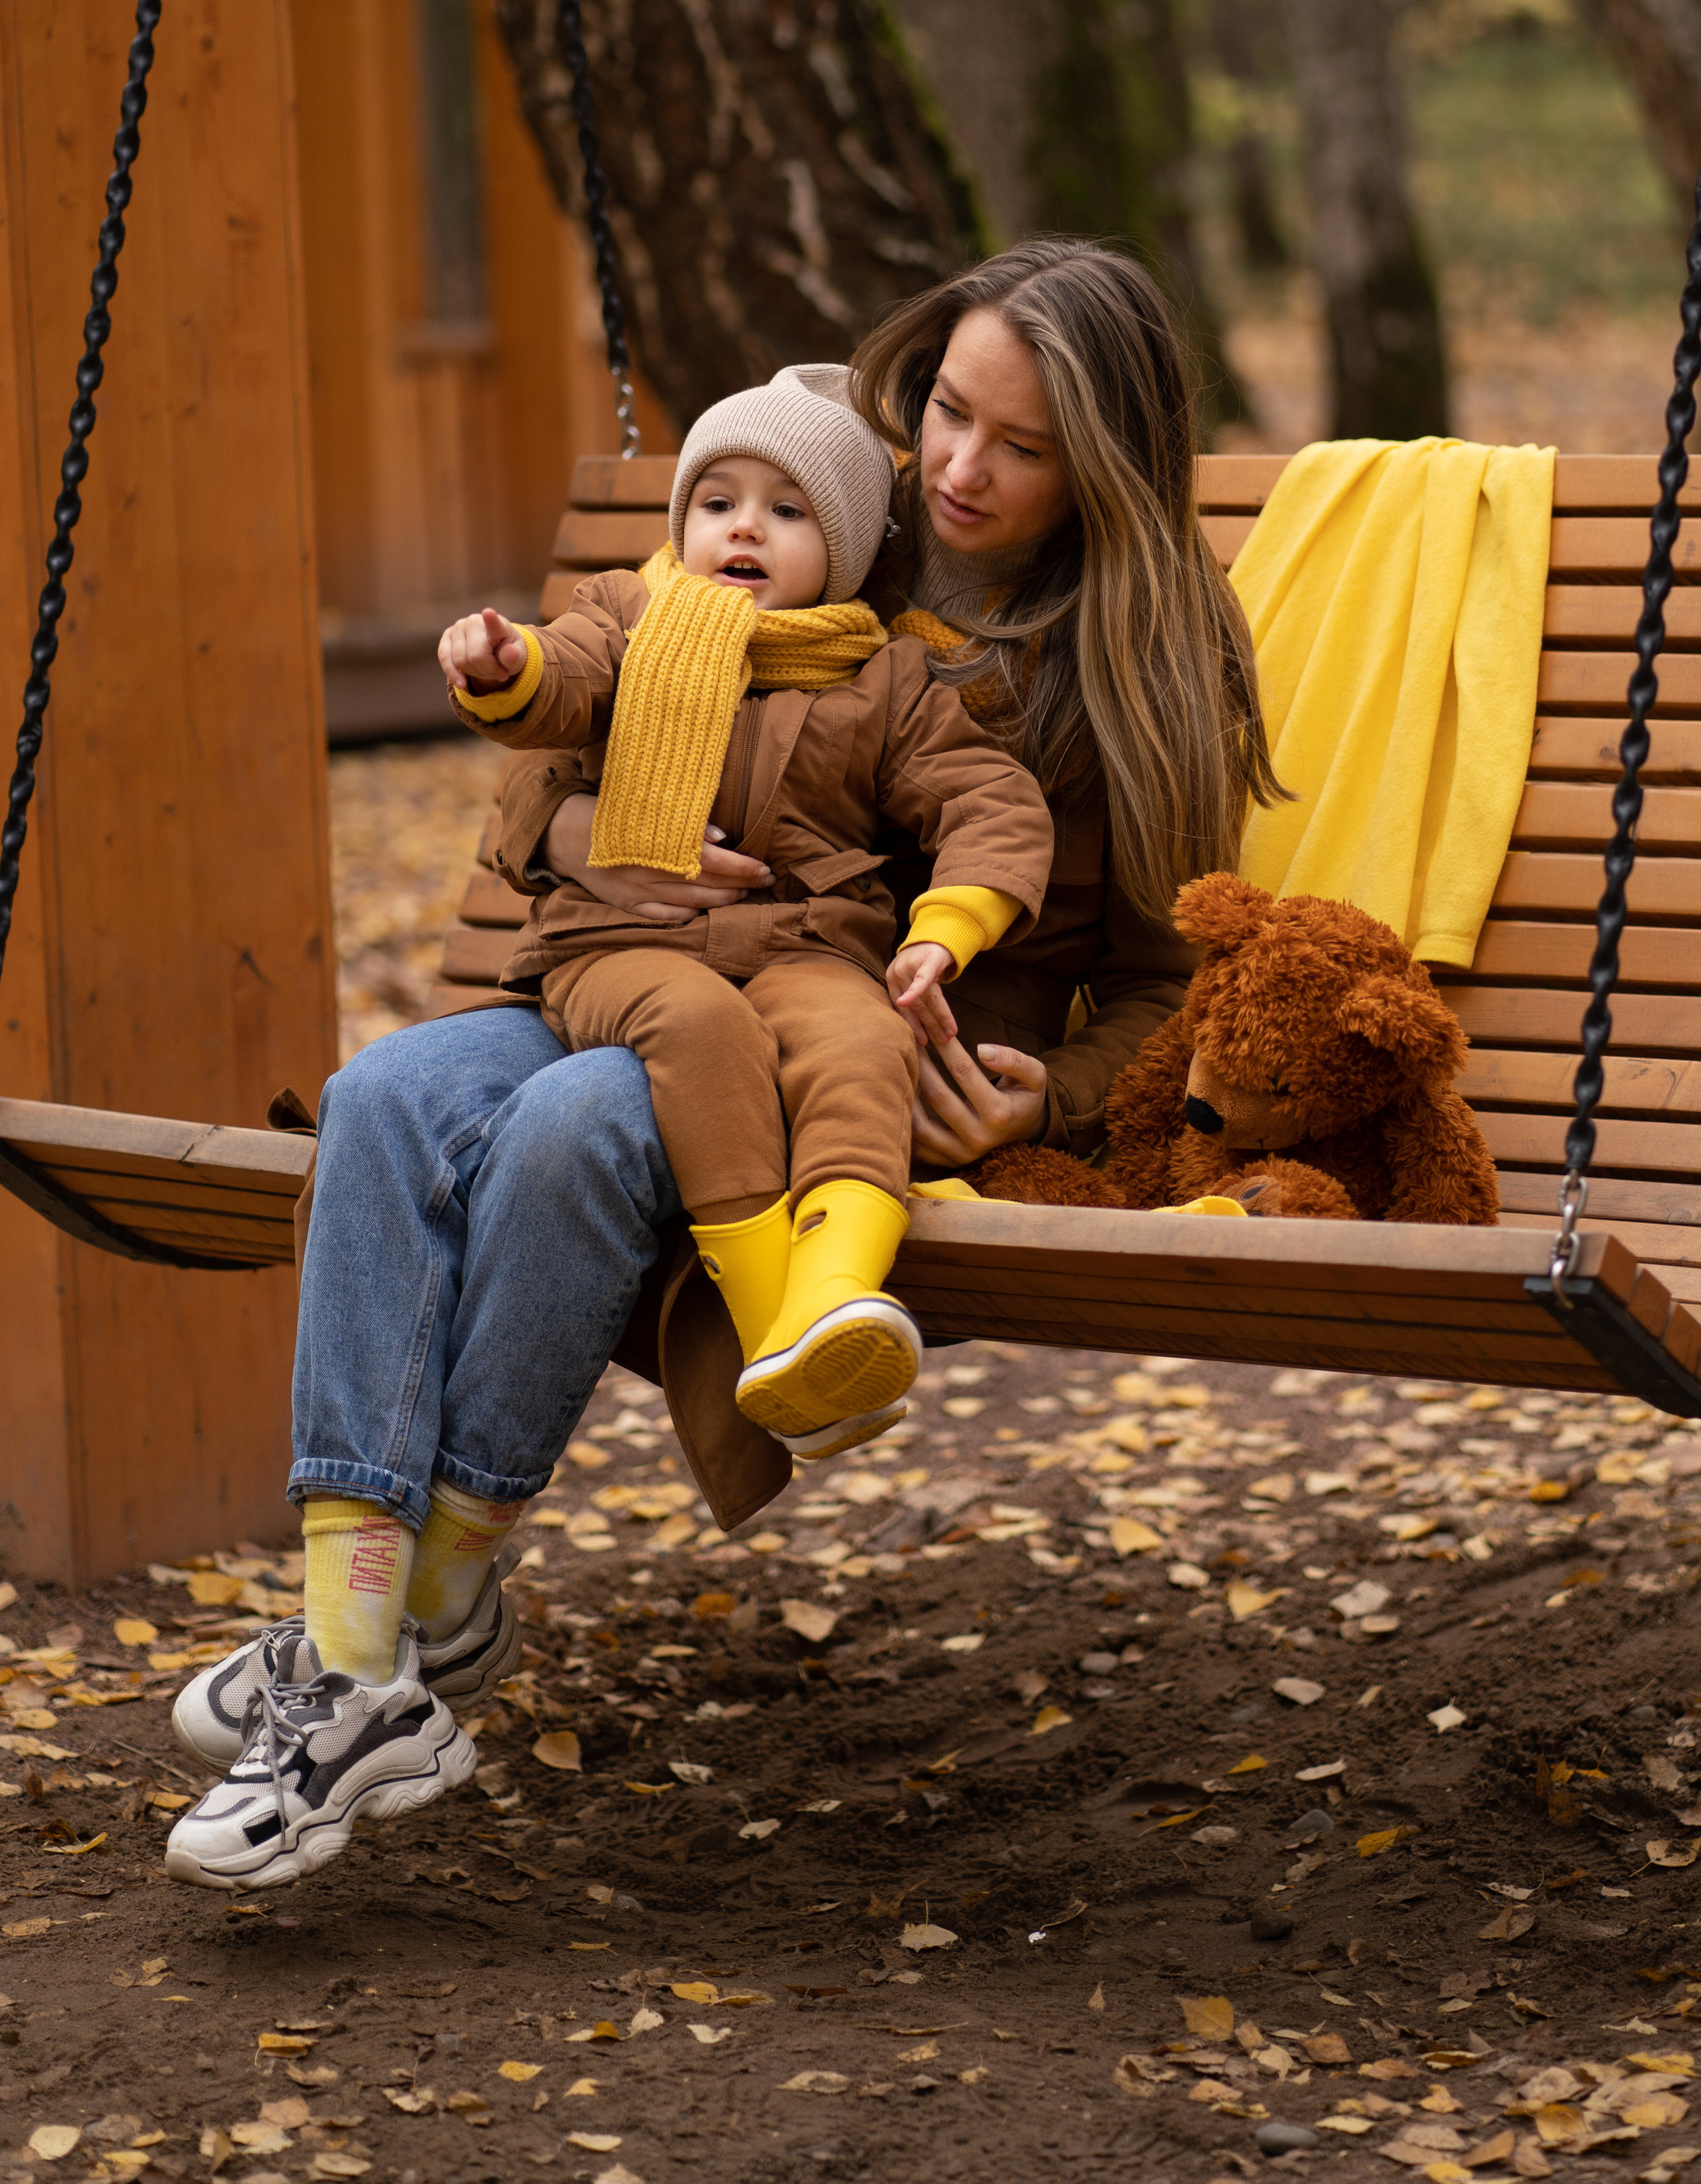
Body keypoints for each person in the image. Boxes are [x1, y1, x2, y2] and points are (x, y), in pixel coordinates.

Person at [162, 240, 1281, 1894]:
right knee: (383, 1097)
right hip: (629, 962)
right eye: (949, 411)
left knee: (573, 1124)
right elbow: (577, 707)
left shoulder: (1140, 665)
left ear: (1104, 470)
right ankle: (382, 1642)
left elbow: (1165, 983)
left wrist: (1052, 1095)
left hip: (831, 1060)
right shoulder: (825, 505)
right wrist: (597, 832)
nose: (958, 467)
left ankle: (395, 1622)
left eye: (1021, 448)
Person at [436, 363, 1052, 1460]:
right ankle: (778, 1327)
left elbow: (987, 799)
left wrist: (945, 929)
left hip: (806, 945)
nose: (745, 529)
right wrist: (506, 665)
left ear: (846, 552)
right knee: (700, 1025)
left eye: (787, 512)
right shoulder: (630, 615)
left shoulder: (886, 677)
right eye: (718, 502)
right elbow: (562, 681)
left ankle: (836, 1295)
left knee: (866, 1041)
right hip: (626, 946)